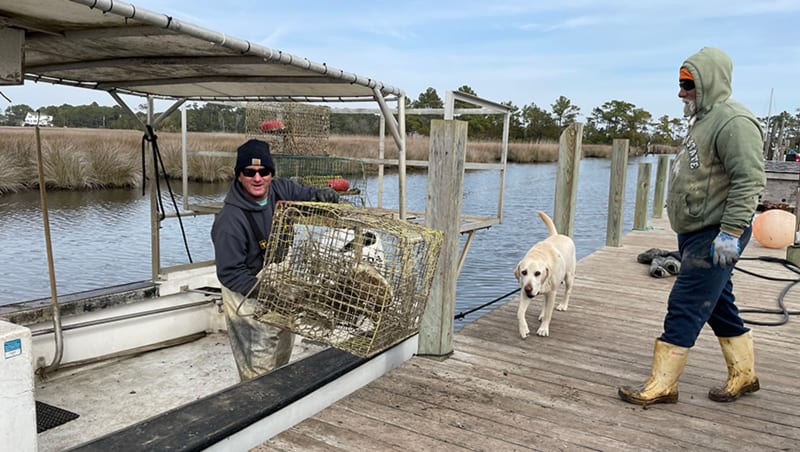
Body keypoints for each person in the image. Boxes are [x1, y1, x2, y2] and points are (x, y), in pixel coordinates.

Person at [618, 47, 766, 406]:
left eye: (688, 84)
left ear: (709, 82)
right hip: (695, 231)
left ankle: (663, 384)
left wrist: (730, 233)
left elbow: (749, 181)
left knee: (685, 302)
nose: (681, 92)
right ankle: (744, 375)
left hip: (717, 232)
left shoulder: (734, 122)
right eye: (680, 83)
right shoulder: (702, 119)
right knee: (717, 303)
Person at [211, 139, 340, 381]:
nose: (257, 178)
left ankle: (278, 394)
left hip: (279, 281)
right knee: (257, 367)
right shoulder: (230, 221)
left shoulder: (280, 190)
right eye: (249, 172)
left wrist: (322, 196)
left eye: (264, 172)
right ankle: (255, 405)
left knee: (282, 349)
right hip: (247, 295)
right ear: (239, 176)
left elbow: (305, 195)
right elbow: (229, 273)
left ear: (271, 174)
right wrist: (267, 293)